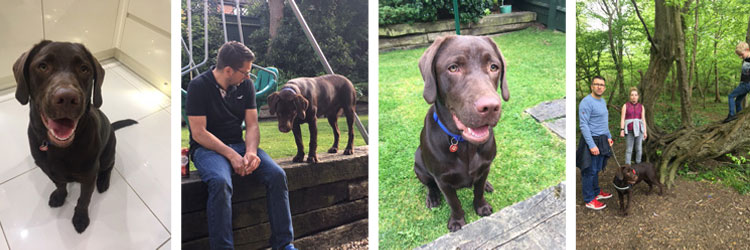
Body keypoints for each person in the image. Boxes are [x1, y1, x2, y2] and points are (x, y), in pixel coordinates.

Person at [186, 41, 298, 250]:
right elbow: (199, 133)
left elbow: (253, 125)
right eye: (245, 72)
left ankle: (284, 245)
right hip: (207, 149)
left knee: (277, 175)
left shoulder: (245, 86)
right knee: (220, 182)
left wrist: (251, 152)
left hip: (239, 144)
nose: (249, 77)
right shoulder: (198, 86)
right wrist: (231, 155)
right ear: (228, 70)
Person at [576, 76, 614, 210]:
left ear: (604, 87)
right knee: (589, 170)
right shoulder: (586, 102)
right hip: (591, 140)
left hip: (602, 139)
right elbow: (584, 125)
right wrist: (592, 145)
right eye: (597, 84)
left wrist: (608, 136)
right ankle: (589, 199)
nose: (599, 87)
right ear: (592, 86)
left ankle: (596, 192)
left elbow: (604, 122)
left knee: (597, 169)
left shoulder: (602, 101)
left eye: (602, 85)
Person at [723, 42, 750, 123]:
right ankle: (739, 116)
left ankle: (731, 115)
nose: (740, 57)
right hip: (744, 84)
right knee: (737, 102)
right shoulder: (746, 59)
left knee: (730, 96)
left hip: (746, 84)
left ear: (747, 50)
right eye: (739, 55)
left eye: (741, 54)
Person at [619, 87, 647, 165]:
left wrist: (645, 132)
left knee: (639, 149)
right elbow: (622, 118)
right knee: (629, 150)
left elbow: (643, 119)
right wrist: (622, 130)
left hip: (639, 130)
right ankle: (627, 167)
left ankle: (638, 166)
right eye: (632, 95)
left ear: (638, 96)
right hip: (629, 130)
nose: (634, 97)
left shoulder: (641, 107)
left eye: (635, 95)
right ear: (630, 96)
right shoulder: (625, 106)